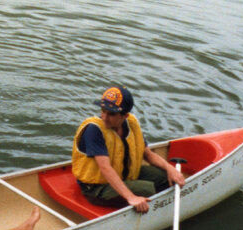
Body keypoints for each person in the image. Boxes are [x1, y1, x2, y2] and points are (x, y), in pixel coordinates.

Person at [71, 85, 186, 213]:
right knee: (147, 189)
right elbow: (105, 168)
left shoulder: (131, 124)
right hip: (97, 188)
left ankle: (166, 204)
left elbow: (147, 154)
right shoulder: (94, 129)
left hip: (126, 174)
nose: (104, 117)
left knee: (165, 178)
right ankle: (158, 208)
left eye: (111, 114)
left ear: (124, 116)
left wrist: (170, 169)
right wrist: (131, 197)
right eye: (103, 111)